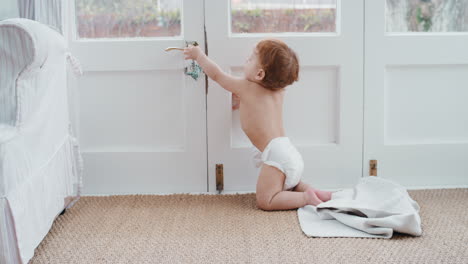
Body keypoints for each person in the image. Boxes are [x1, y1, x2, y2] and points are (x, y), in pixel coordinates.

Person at [184, 38, 333, 211]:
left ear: (260, 75)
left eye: (249, 59)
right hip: (290, 154)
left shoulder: (246, 87)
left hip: (276, 158)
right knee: (291, 184)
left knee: (266, 200)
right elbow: (259, 106)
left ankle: (306, 197)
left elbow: (217, 75)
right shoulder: (279, 91)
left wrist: (199, 55)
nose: (245, 61)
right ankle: (314, 192)